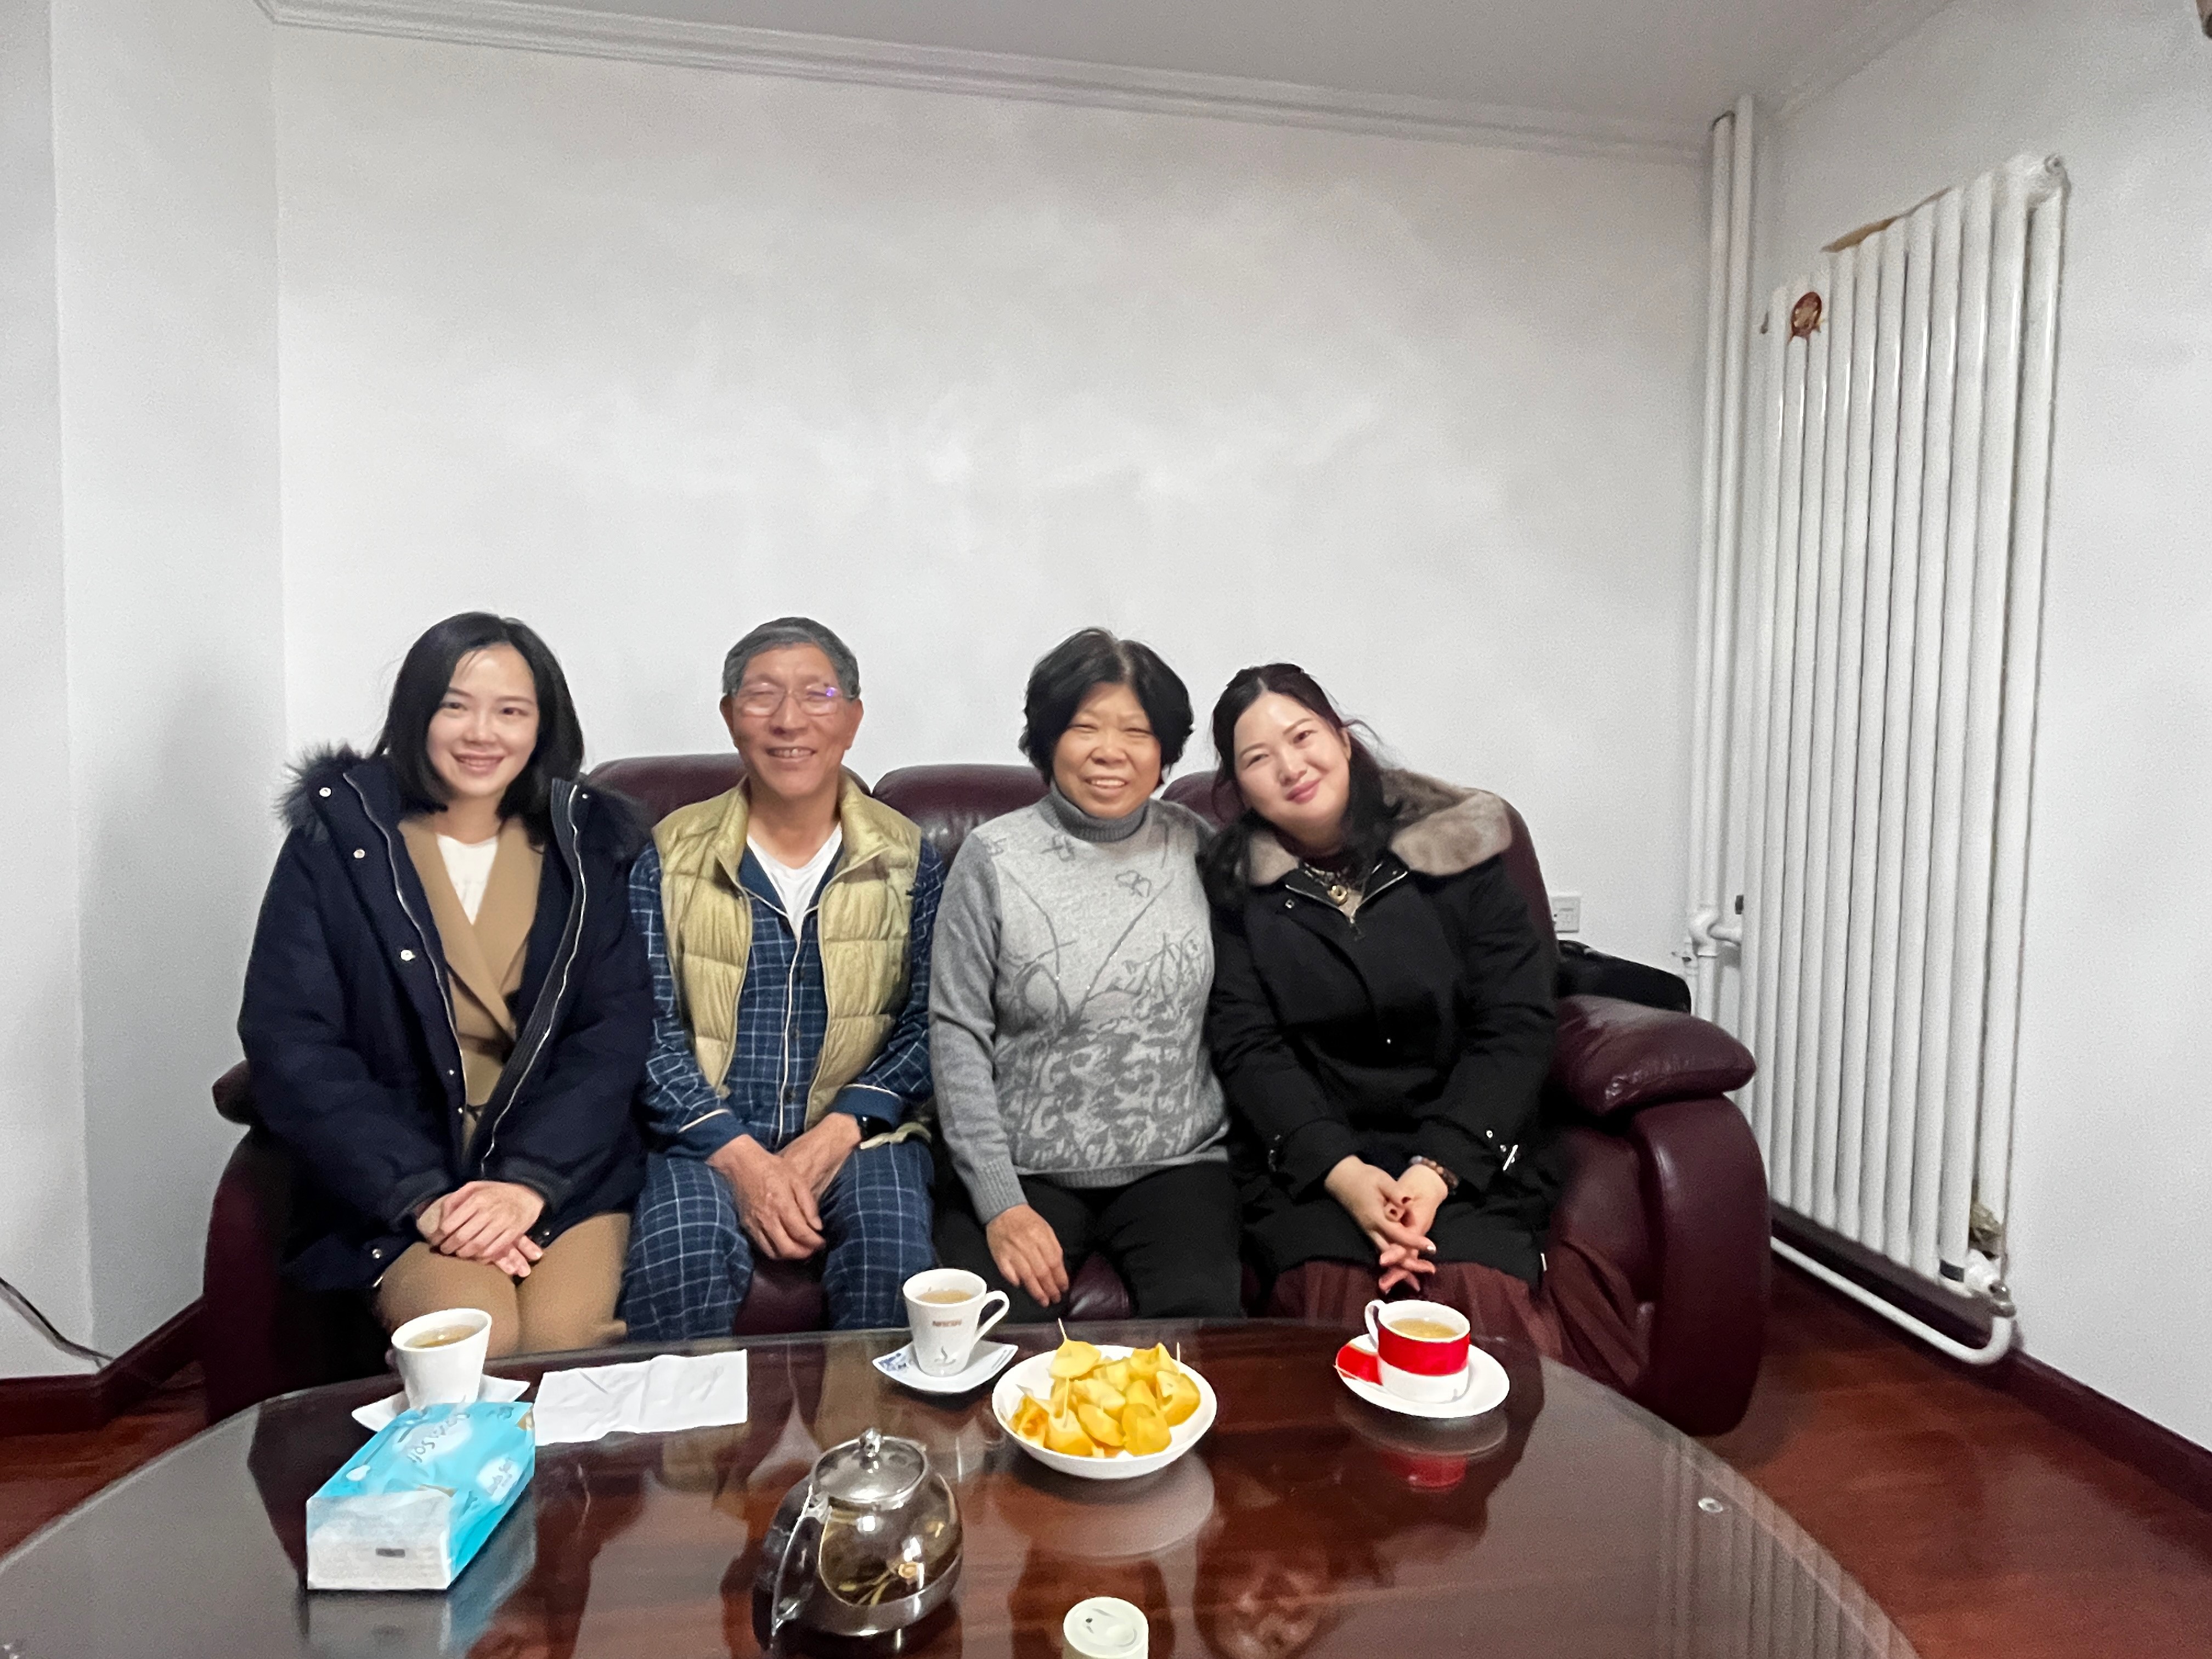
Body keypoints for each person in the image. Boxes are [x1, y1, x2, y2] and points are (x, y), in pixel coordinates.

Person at [1201, 663, 1639, 1381]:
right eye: (1258, 758)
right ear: (1240, 788)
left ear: (1343, 739)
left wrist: (1435, 1173)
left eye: (1303, 736)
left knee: (1474, 1300)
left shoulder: (1456, 848)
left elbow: (1516, 1021)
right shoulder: (1232, 890)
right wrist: (1346, 1175)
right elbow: (1251, 1048)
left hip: (1467, 1150)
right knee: (1335, 1304)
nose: (1290, 766)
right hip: (1318, 1164)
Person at [238, 612, 652, 1358]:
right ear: (417, 713)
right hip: (405, 1182)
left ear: (542, 725)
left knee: (562, 1343)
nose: (481, 733)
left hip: (559, 1176)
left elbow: (612, 1034)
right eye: (456, 706)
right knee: (477, 1338)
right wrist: (422, 1197)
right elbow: (292, 1040)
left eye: (511, 712)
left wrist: (526, 1184)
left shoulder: (585, 845)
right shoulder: (340, 841)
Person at [619, 618, 941, 1337]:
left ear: (853, 718)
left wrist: (840, 1129)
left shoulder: (908, 858)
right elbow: (644, 1027)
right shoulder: (669, 855)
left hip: (862, 1136)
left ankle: (870, 1418)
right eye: (762, 695)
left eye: (817, 695)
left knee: (893, 1251)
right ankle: (688, 1422)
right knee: (678, 1254)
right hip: (703, 1133)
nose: (789, 720)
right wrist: (738, 1157)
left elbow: (929, 1023)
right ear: (730, 715)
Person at [932, 628, 1243, 1322]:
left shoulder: (1197, 845)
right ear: (1048, 741)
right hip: (1026, 1168)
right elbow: (956, 1037)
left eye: (1136, 731)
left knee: (1204, 1343)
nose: (1110, 751)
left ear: (1164, 751)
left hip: (1177, 1166)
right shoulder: (992, 857)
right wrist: (1001, 1203)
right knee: (992, 1343)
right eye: (1085, 727)